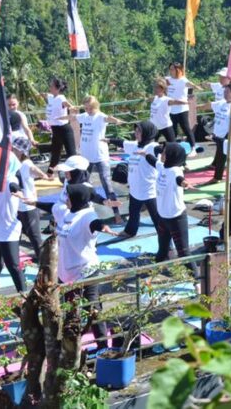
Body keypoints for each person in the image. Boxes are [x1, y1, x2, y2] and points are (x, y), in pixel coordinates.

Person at [53, 156, 121, 349]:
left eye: (68, 170)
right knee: (72, 308)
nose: (65, 173)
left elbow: (95, 201)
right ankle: (71, 345)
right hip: (69, 243)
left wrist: (107, 207)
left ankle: (102, 346)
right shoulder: (67, 185)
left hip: (83, 238)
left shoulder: (84, 190)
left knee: (92, 306)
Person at [70, 95, 124, 224]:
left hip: (100, 156)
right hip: (86, 157)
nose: (88, 111)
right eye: (86, 108)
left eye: (90, 108)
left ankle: (116, 213)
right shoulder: (84, 116)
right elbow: (72, 117)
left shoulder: (100, 116)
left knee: (106, 184)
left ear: (95, 107)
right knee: (83, 183)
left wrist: (116, 120)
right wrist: (55, 119)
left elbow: (108, 118)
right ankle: (83, 208)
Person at [0, 151, 32, 292]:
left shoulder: (10, 179)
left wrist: (19, 193)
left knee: (13, 265)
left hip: (7, 231)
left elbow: (14, 187)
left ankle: (23, 294)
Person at [151, 142, 194, 263]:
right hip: (163, 217)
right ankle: (154, 273)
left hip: (176, 218)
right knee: (162, 251)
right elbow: (153, 161)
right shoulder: (163, 167)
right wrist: (144, 154)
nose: (162, 154)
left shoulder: (175, 170)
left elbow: (179, 179)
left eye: (164, 152)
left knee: (184, 253)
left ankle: (198, 280)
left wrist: (185, 184)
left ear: (171, 155)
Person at [121, 120, 161, 239]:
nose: (136, 133)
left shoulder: (151, 146)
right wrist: (107, 140)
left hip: (149, 191)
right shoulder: (134, 145)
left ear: (147, 133)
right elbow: (121, 143)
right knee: (133, 213)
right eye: (136, 130)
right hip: (135, 190)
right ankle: (130, 231)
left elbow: (159, 149)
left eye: (139, 131)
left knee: (157, 218)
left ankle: (166, 243)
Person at [11, 135, 47, 262]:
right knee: (16, 234)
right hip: (16, 205)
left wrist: (43, 175)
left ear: (21, 151)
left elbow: (34, 169)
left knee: (34, 236)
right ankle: (13, 258)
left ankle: (44, 261)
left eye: (15, 149)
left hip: (27, 205)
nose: (12, 150)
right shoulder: (13, 162)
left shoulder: (26, 164)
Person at [43, 78, 74, 175]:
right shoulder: (52, 97)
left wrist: (71, 107)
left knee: (71, 153)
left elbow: (67, 104)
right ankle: (49, 173)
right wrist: (41, 94)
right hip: (55, 129)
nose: (50, 87)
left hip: (64, 129)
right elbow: (46, 95)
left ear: (57, 88)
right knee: (55, 152)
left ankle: (76, 173)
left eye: (51, 86)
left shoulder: (61, 98)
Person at [166, 62, 198, 148]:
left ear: (178, 70)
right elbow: (160, 83)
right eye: (170, 69)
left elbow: (190, 86)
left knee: (186, 129)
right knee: (173, 130)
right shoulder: (168, 80)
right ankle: (172, 147)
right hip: (171, 110)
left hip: (182, 109)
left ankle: (193, 147)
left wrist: (195, 88)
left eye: (173, 69)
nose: (171, 71)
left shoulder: (183, 80)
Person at [150, 78, 180, 142]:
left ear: (163, 89)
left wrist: (186, 102)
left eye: (158, 88)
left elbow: (176, 102)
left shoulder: (166, 99)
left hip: (165, 126)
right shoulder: (154, 98)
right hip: (154, 127)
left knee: (173, 145)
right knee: (151, 146)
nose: (156, 89)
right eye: (155, 87)